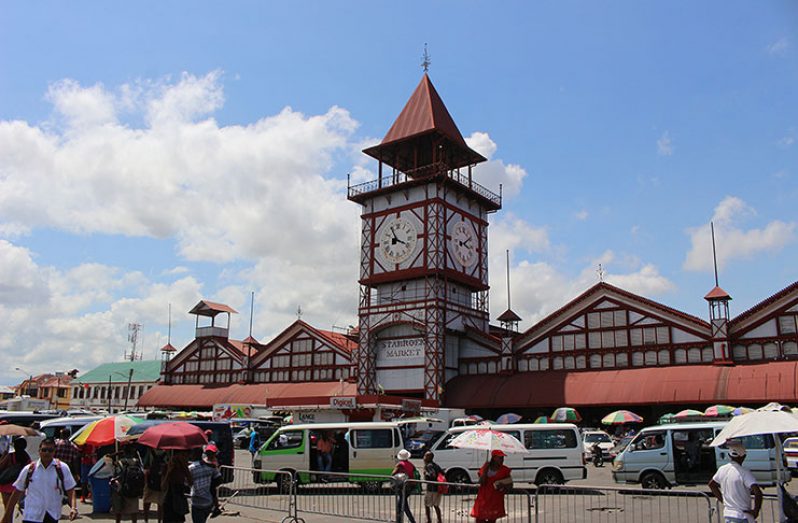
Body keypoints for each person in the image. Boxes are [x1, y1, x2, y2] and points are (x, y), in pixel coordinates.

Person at [0, 438, 78, 523]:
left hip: (52, 515)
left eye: (50, 450)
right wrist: (7, 514)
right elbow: (17, 491)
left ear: (54, 451)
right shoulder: (29, 469)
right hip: (31, 516)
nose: (47, 453)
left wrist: (73, 508)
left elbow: (70, 489)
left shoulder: (62, 468)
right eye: (44, 450)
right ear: (39, 451)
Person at [708, 442, 762, 523]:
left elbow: (712, 485)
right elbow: (758, 492)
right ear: (744, 456)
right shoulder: (745, 472)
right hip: (742, 515)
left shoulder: (722, 469)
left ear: (729, 456)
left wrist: (723, 501)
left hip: (728, 514)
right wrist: (755, 511)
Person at [471, 450, 513, 523]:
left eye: (503, 458)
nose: (502, 460)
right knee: (479, 519)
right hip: (483, 498)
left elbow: (510, 484)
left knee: (492, 520)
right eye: (500, 458)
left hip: (495, 499)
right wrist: (485, 471)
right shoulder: (485, 467)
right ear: (494, 458)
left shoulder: (505, 470)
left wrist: (503, 485)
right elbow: (481, 482)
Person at [111, 444, 144, 523]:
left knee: (118, 512)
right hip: (134, 489)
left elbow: (116, 475)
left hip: (122, 489)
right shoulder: (137, 461)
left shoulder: (120, 462)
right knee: (133, 512)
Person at [188, 447, 221, 523]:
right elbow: (219, 478)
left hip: (197, 502)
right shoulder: (210, 466)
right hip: (207, 501)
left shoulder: (191, 468)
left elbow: (187, 483)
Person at [0, 438, 31, 509]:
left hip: (6, 483)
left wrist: (3, 455)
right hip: (17, 485)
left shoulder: (10, 456)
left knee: (7, 508)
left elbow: (1, 466)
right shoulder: (26, 457)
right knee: (11, 507)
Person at [162, 451, 191, 523]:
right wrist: (169, 472)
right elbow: (163, 486)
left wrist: (185, 468)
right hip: (169, 498)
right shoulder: (167, 466)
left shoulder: (183, 467)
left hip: (179, 497)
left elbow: (191, 482)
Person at [392, 449, 416, 523]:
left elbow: (393, 474)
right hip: (410, 486)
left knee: (403, 505)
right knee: (401, 504)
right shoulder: (411, 464)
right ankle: (399, 520)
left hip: (402, 486)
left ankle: (412, 520)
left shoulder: (400, 464)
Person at [143, 449, 167, 523]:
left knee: (147, 501)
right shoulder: (166, 453)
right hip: (161, 481)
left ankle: (146, 520)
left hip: (150, 481)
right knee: (160, 503)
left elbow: (145, 466)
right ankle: (159, 520)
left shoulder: (150, 452)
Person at [422, 451, 443, 523]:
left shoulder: (429, 466)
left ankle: (428, 520)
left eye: (425, 456)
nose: (423, 458)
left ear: (429, 458)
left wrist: (425, 473)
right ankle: (439, 520)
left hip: (431, 488)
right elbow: (442, 473)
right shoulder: (436, 465)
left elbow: (432, 475)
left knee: (427, 504)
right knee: (436, 505)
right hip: (438, 488)